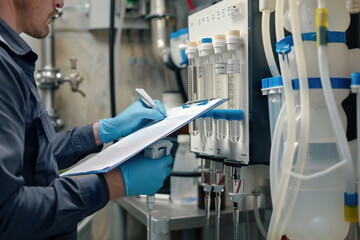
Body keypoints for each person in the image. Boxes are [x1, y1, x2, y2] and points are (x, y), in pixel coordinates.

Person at [0, 0, 173, 239]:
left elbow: (34, 156)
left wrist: (103, 131)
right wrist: (115, 183)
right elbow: (7, 212)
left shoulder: (11, 58)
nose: (60, 2)